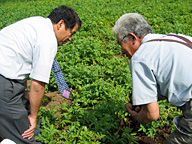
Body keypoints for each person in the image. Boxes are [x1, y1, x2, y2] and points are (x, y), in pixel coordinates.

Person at [0, 5, 81, 144]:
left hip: (6, 76)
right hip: (3, 84)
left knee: (21, 111)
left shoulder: (37, 23)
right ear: (61, 24)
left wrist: (24, 92)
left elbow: (21, 58)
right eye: (71, 33)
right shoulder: (48, 40)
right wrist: (33, 116)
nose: (70, 39)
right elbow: (37, 85)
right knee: (26, 136)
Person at [113, 13, 192, 144]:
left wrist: (139, 117)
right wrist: (141, 99)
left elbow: (152, 114)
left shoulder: (140, 57)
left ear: (132, 37)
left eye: (120, 43)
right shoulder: (175, 38)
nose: (121, 51)